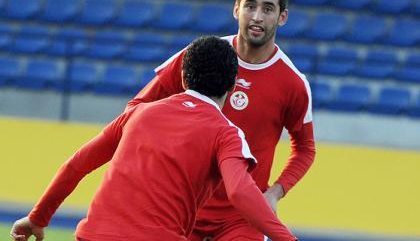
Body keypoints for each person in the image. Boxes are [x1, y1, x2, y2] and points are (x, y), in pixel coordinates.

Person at [10, 36, 297, 241]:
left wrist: (38, 217)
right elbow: (239, 192)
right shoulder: (227, 133)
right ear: (233, 84)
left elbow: (77, 164)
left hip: (93, 235)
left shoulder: (139, 113)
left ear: (183, 76)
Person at [125, 0, 316, 240]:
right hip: (180, 207)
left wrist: (275, 192)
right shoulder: (201, 55)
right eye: (250, 5)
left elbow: (305, 148)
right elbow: (137, 107)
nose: (257, 16)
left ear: (282, 17)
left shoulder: (293, 83)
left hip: (242, 218)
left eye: (268, 8)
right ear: (236, 9)